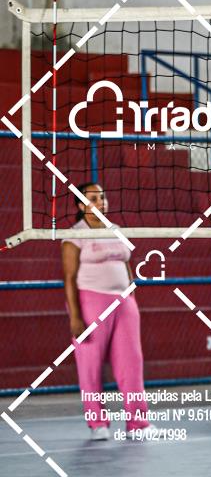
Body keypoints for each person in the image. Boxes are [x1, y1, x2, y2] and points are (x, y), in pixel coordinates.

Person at [61, 182, 150, 441]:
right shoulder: (75, 235)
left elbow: (127, 265)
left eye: (102, 197)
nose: (101, 202)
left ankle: (138, 423)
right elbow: (69, 278)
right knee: (90, 366)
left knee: (132, 364)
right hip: (91, 302)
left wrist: (131, 296)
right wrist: (76, 316)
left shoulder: (116, 230)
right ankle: (97, 423)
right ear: (81, 205)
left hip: (124, 304)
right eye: (93, 198)